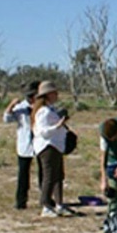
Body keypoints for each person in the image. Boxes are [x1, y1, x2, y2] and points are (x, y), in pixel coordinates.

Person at [31, 80, 76, 217]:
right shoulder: (43, 112)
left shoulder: (50, 109)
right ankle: (46, 205)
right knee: (49, 177)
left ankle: (59, 204)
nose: (57, 95)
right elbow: (42, 131)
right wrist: (58, 125)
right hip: (48, 147)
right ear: (48, 94)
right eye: (54, 93)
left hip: (56, 146)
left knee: (58, 176)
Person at [3, 80, 40, 210]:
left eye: (33, 95)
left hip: (40, 144)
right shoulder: (21, 107)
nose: (31, 98)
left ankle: (45, 200)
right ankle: (21, 201)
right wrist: (11, 105)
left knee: (44, 174)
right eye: (29, 96)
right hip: (25, 145)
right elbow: (6, 119)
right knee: (23, 175)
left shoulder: (43, 107)